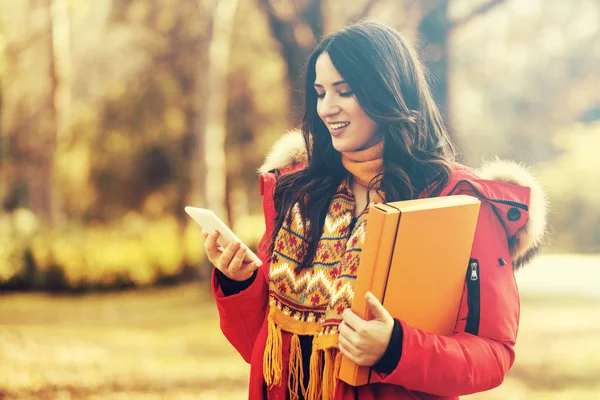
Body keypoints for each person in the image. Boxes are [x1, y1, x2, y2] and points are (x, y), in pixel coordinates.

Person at [202, 21, 547, 400]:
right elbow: (265, 350)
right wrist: (240, 283)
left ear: (388, 92)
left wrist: (396, 348)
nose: (327, 108)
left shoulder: (455, 201)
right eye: (319, 93)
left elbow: (492, 353)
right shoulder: (300, 193)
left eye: (344, 91)